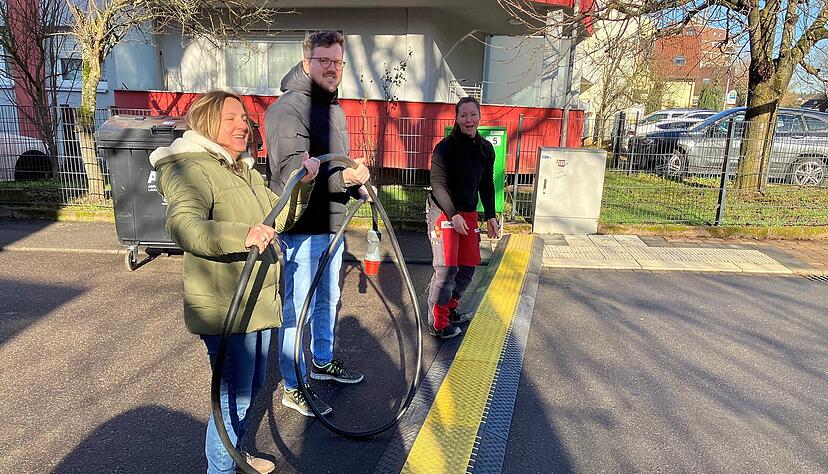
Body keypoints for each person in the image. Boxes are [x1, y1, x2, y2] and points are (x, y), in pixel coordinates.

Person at [151, 90, 320, 473]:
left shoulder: (242, 169)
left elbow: (278, 218)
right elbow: (184, 225)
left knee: (251, 386)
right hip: (227, 306)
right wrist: (242, 234)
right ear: (207, 122)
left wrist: (303, 183)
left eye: (243, 118)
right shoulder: (188, 167)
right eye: (231, 118)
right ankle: (221, 468)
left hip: (256, 302)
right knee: (234, 397)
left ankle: (235, 454)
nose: (242, 125)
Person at [264, 30, 371, 417]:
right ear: (306, 62)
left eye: (337, 62)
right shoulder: (288, 109)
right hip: (303, 226)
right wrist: (345, 178)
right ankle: (293, 386)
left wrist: (354, 181)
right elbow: (295, 171)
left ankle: (322, 362)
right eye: (323, 60)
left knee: (327, 298)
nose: (331, 68)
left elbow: (334, 163)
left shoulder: (333, 108)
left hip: (332, 223)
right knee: (300, 307)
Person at [426, 96, 499, 339]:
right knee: (446, 269)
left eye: (473, 115)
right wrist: (453, 214)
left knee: (467, 267)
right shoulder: (445, 148)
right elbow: (437, 184)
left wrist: (491, 216)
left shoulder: (485, 149)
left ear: (479, 117)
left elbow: (486, 184)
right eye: (464, 115)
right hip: (443, 212)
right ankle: (438, 322)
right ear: (456, 118)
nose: (469, 120)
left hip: (468, 213)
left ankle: (450, 308)